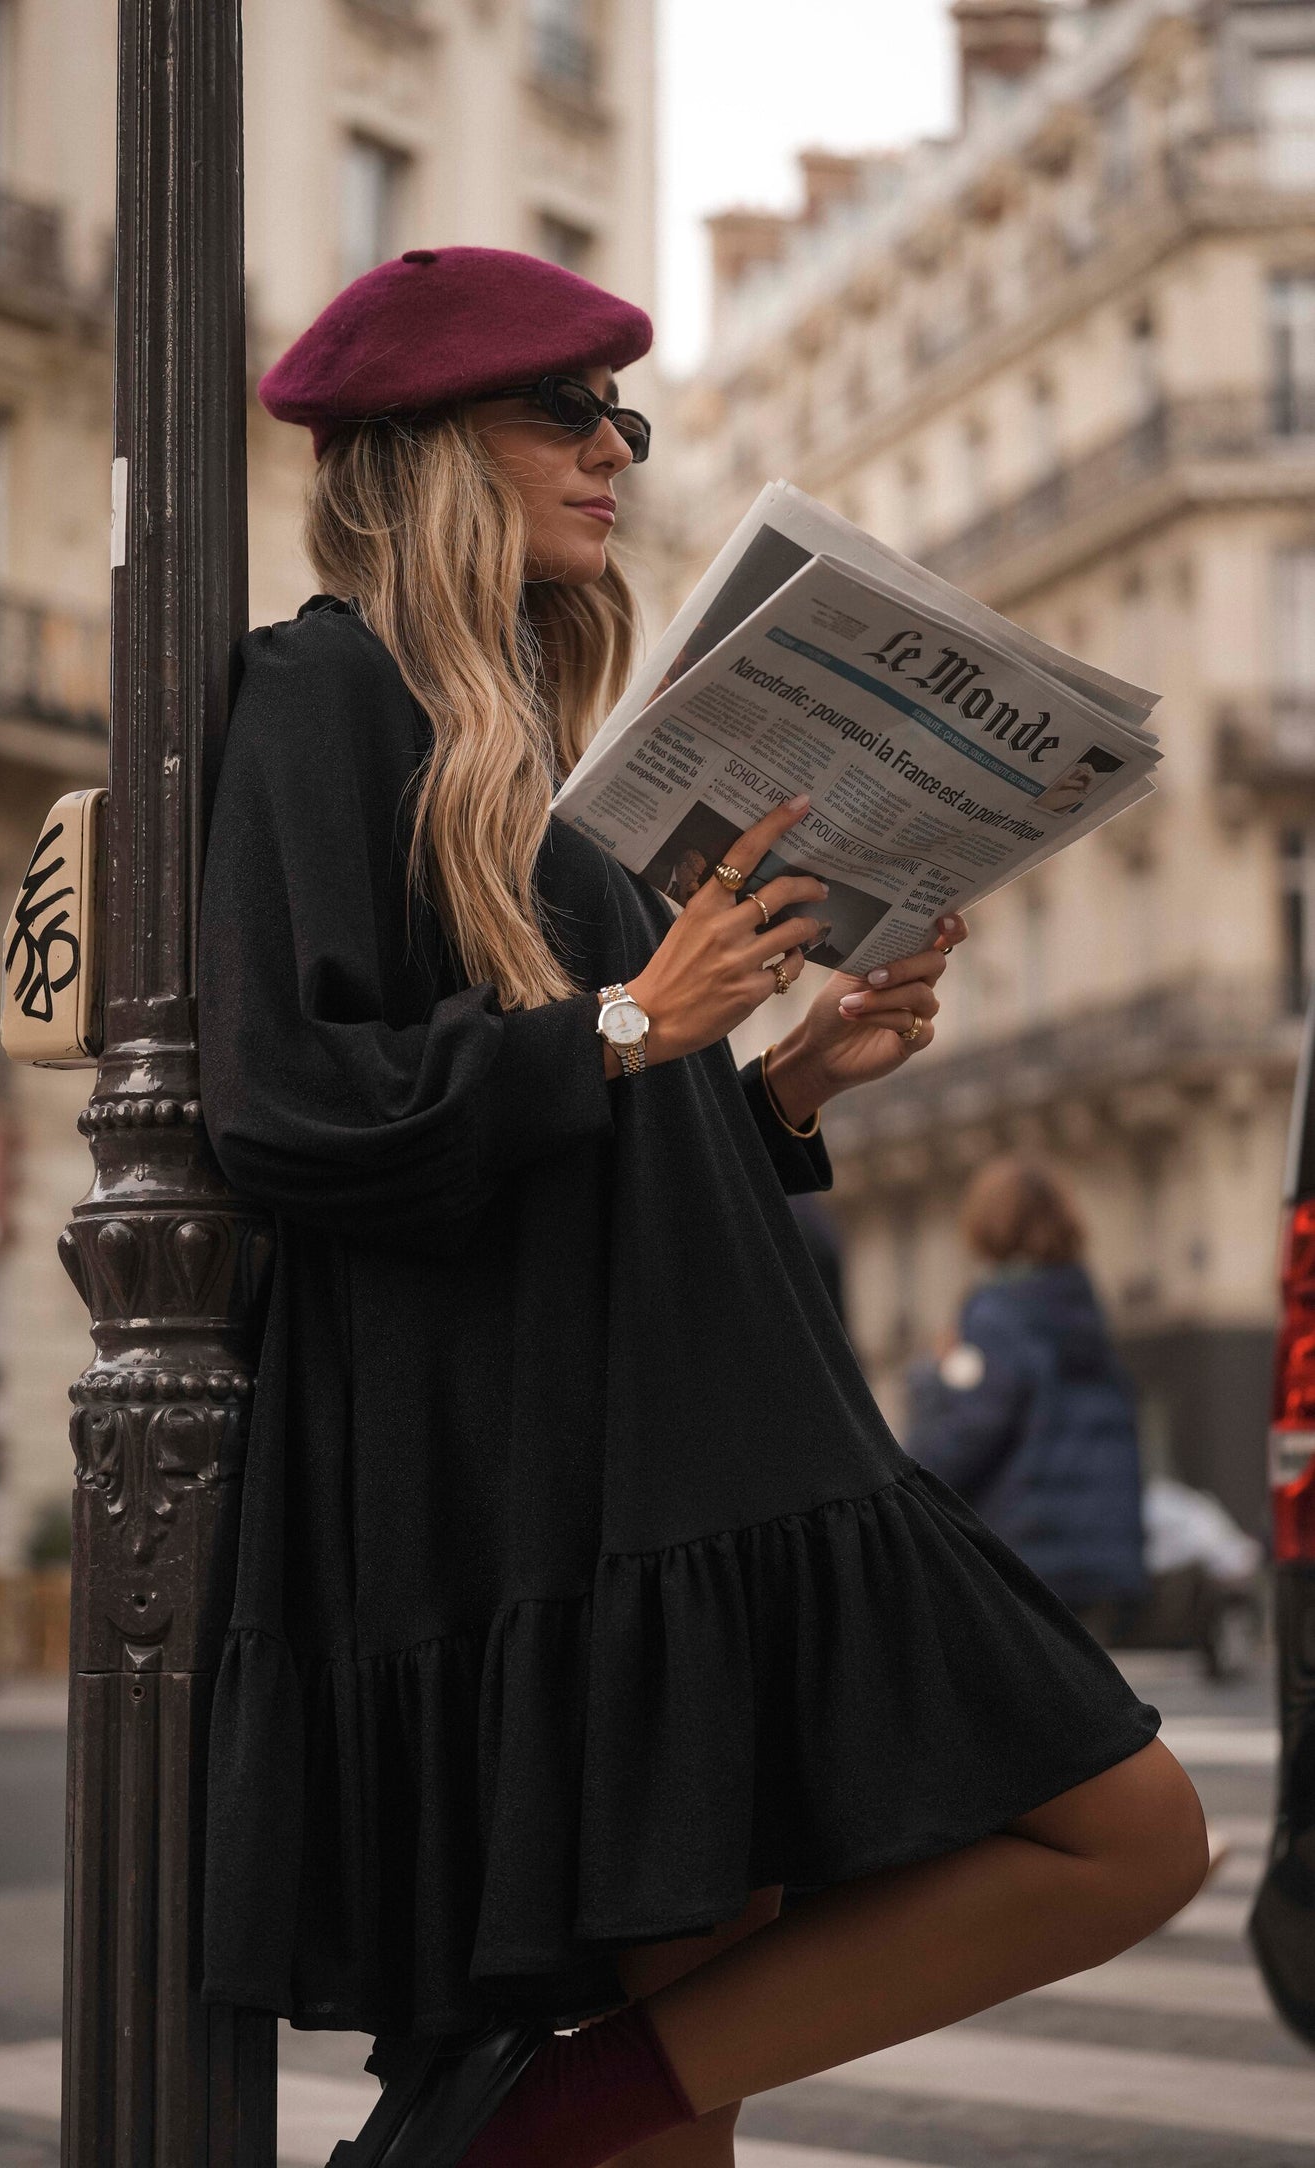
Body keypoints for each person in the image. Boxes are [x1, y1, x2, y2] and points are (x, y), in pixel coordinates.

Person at [196, 246, 1207, 2168]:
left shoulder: (523, 729)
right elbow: (294, 1106)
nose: (611, 455)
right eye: (565, 415)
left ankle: (519, 2125)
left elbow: (582, 1113)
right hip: (594, 1477)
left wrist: (787, 1081)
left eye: (623, 421)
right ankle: (514, 2125)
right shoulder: (322, 693)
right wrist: (635, 1014)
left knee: (705, 2052)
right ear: (422, 452)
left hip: (690, 1443)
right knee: (1120, 1824)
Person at [904, 1157, 1148, 1638]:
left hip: (1028, 1549)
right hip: (1100, 1549)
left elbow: (969, 1431)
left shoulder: (996, 1314)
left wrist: (931, 1382)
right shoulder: (1082, 1304)